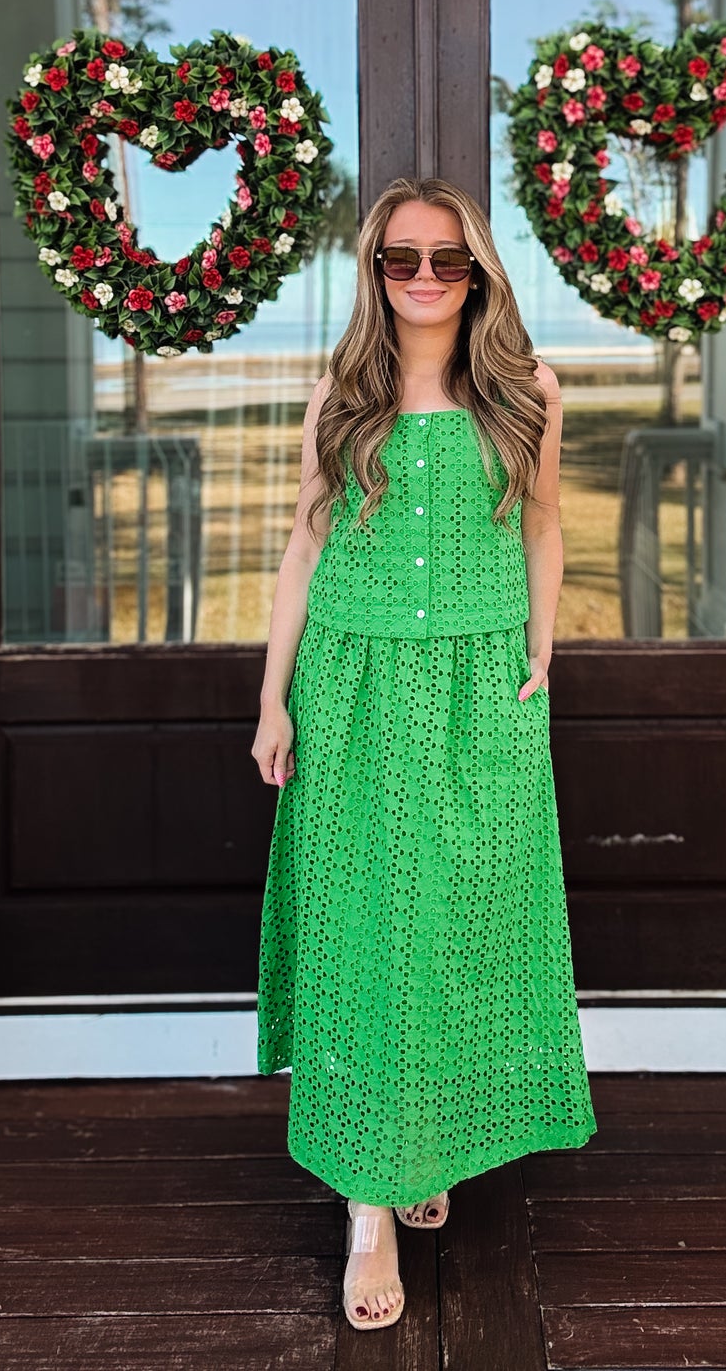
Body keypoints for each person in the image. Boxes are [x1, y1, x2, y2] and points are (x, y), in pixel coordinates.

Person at [252, 174, 597, 1332]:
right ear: (373, 273)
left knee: (454, 927)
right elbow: (303, 548)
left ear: (479, 271)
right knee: (367, 933)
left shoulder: (526, 393)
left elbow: (543, 526)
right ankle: (369, 1202)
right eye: (401, 261)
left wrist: (541, 654)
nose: (423, 281)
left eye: (446, 261)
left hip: (476, 682)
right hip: (351, 686)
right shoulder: (339, 398)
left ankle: (425, 1136)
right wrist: (272, 699)